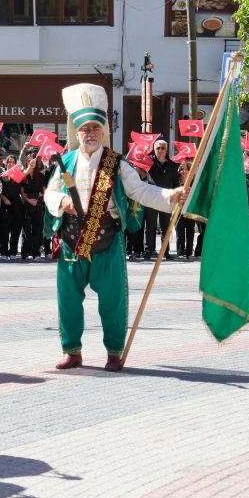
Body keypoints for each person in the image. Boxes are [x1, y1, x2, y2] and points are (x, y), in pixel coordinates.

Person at [44, 83, 186, 372]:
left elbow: (141, 191)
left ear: (104, 130)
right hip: (72, 240)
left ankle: (113, 352)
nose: (90, 133)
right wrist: (62, 202)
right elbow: (49, 193)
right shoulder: (66, 161)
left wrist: (169, 196)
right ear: (77, 131)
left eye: (95, 127)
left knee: (112, 302)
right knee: (68, 302)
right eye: (84, 128)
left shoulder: (116, 163)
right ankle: (72, 352)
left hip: (107, 240)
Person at [0, 154, 23, 260]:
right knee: (4, 229)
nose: (11, 164)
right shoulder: (1, 175)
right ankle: (3, 251)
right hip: (5, 204)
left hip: (16, 204)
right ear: (6, 163)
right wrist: (4, 199)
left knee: (16, 229)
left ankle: (13, 251)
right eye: (9, 162)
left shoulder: (18, 174)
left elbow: (21, 189)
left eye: (13, 162)